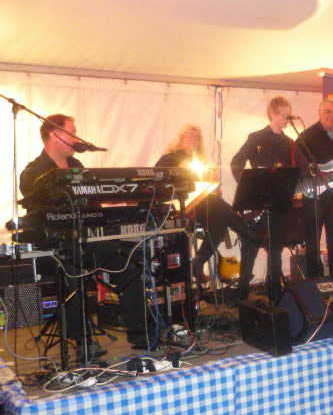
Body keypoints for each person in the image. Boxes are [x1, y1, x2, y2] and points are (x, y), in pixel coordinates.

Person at [20, 114, 148, 358]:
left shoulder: (78, 166)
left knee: (129, 267)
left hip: (87, 241)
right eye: (72, 132)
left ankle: (142, 334)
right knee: (71, 273)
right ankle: (82, 341)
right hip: (55, 247)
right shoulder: (33, 172)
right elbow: (41, 214)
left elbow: (94, 203)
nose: (76, 138)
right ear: (54, 135)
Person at [155, 124, 249, 299]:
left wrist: (209, 178)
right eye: (190, 136)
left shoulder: (200, 160)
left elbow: (206, 184)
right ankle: (247, 231)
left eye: (197, 137)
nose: (194, 140)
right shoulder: (169, 158)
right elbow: (157, 182)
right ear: (181, 138)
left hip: (201, 203)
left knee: (220, 220)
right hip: (181, 205)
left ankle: (198, 262)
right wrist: (180, 171)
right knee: (223, 211)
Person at [230, 96, 305, 302]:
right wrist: (247, 185)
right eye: (283, 115)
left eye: (288, 115)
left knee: (275, 250)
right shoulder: (256, 138)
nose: (287, 119)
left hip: (279, 203)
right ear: (272, 114)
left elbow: (302, 169)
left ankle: (275, 295)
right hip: (257, 201)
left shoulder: (290, 143)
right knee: (250, 247)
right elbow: (236, 162)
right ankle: (242, 294)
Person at [295, 98, 333, 277]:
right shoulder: (306, 136)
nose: (331, 115)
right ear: (320, 112)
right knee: (313, 242)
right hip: (314, 195)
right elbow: (300, 167)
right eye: (328, 111)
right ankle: (315, 281)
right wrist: (325, 175)